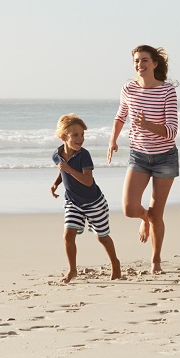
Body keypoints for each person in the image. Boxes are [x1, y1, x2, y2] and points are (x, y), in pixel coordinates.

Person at [106, 45, 178, 274]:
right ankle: (144, 219)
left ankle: (156, 260)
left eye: (144, 60)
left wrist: (147, 125)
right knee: (129, 208)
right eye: (136, 61)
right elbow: (121, 115)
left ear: (155, 64)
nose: (140, 64)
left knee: (158, 214)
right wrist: (112, 140)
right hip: (138, 155)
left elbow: (172, 131)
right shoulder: (128, 88)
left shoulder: (167, 91)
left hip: (165, 157)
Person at [51, 114, 122, 283]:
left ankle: (115, 263)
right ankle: (72, 270)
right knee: (68, 235)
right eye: (75, 135)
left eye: (82, 134)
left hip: (94, 202)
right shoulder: (57, 155)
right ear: (63, 137)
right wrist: (55, 184)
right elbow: (62, 171)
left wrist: (68, 170)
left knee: (102, 236)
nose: (80, 138)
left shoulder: (84, 155)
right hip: (73, 202)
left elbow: (88, 181)